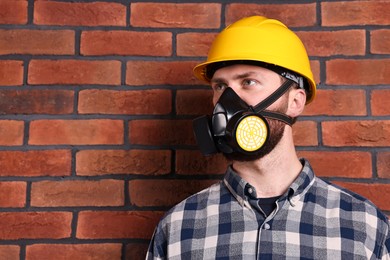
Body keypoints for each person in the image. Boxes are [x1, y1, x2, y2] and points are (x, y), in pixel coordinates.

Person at [146, 16, 390, 259]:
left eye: (248, 82)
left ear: (295, 102)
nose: (227, 102)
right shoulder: (178, 228)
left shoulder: (364, 226)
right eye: (220, 86)